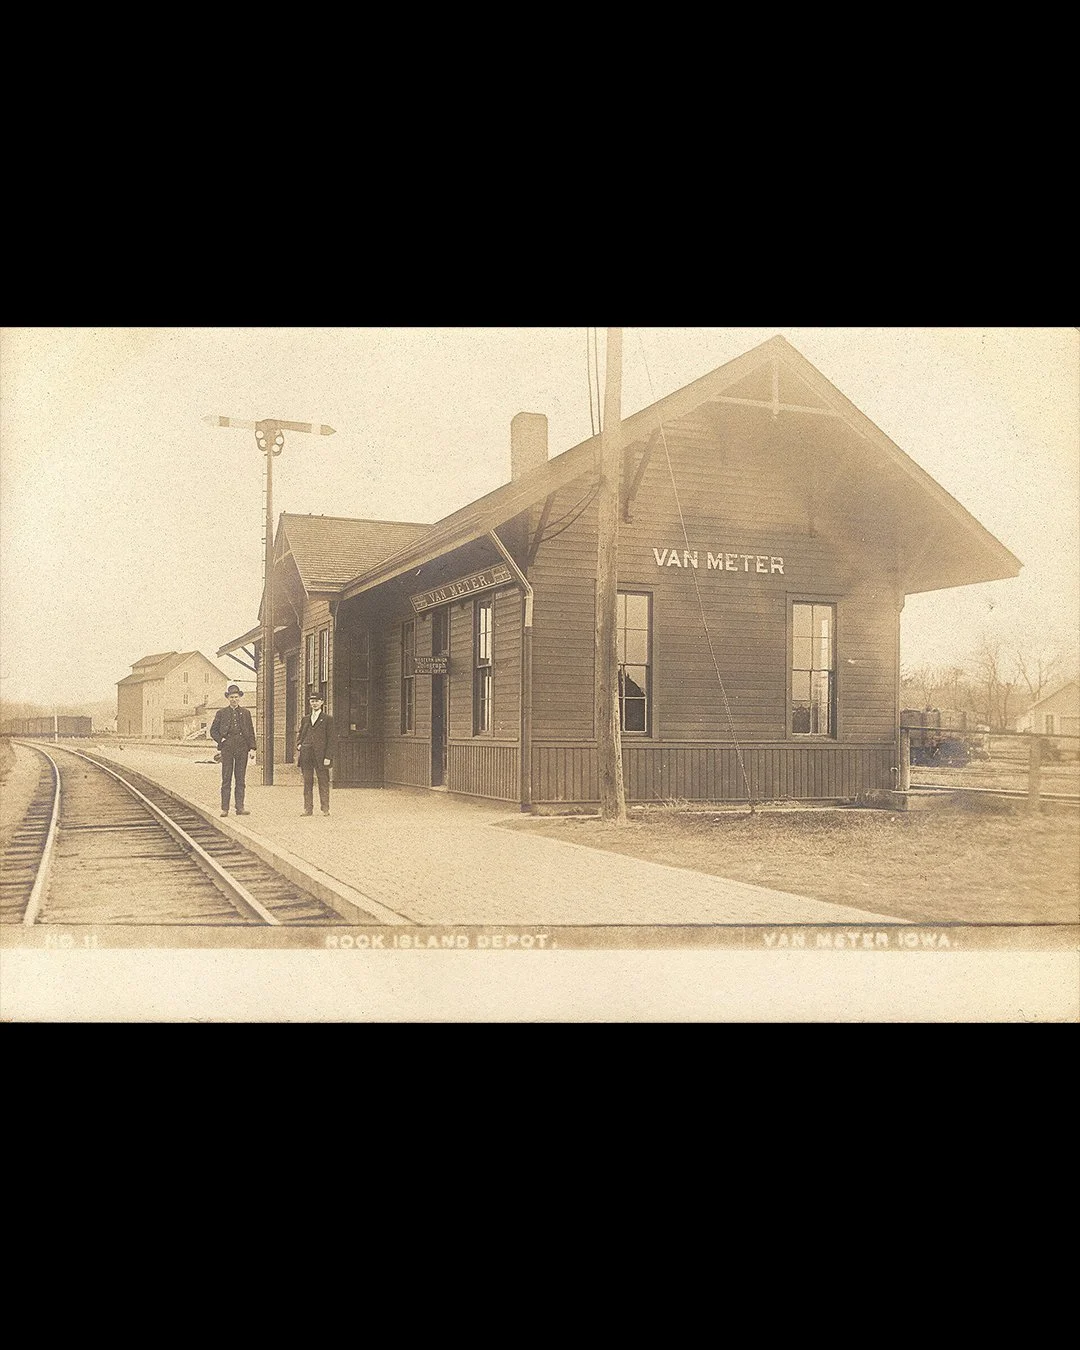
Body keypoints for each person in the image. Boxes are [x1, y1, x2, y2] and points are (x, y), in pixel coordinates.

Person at [210, 685, 256, 816]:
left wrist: (252, 748)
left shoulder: (246, 713)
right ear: (228, 698)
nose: (234, 700)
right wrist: (221, 740)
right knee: (226, 778)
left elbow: (251, 731)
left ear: (240, 698)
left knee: (240, 779)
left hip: (242, 748)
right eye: (231, 697)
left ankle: (240, 808)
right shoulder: (221, 713)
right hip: (227, 748)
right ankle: (225, 809)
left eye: (236, 697)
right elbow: (213, 730)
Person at [296, 692, 335, 815]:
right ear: (310, 703)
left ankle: (325, 809)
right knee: (307, 782)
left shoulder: (328, 719)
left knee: (323, 782)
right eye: (312, 701)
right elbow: (301, 733)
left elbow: (332, 739)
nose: (314, 703)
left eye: (317, 701)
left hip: (321, 756)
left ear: (322, 702)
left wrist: (328, 756)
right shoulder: (306, 718)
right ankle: (308, 809)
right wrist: (299, 744)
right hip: (306, 754)